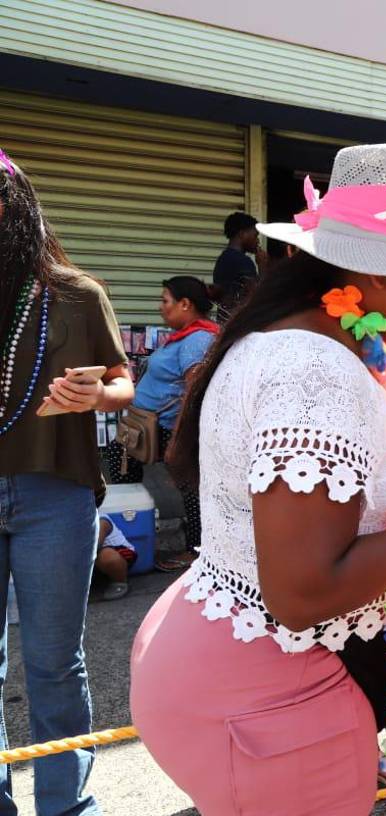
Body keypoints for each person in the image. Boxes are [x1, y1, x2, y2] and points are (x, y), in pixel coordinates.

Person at [129, 144, 386, 814]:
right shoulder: (316, 370)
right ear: (375, 271)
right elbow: (303, 591)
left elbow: (339, 492)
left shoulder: (301, 340)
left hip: (230, 679)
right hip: (272, 709)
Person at [0, 150, 133, 815]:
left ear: (17, 209)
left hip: (55, 492)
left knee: (54, 662)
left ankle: (66, 806)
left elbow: (124, 381)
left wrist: (97, 397)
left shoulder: (76, 293)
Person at [103, 276, 217, 553]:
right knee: (120, 462)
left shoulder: (197, 339)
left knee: (190, 488)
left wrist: (179, 439)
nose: (160, 307)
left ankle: (196, 551)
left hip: (167, 427)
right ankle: (128, 533)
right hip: (146, 425)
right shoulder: (184, 336)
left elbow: (193, 393)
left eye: (165, 300)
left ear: (185, 304)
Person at [212, 211, 265, 321]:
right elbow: (257, 295)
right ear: (242, 234)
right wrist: (262, 265)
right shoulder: (243, 262)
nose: (257, 241)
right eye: (255, 235)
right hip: (238, 324)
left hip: (224, 322)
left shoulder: (223, 258)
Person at [95, 514, 136, 601]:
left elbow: (94, 547)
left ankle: (119, 582)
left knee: (107, 556)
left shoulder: (101, 520)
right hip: (90, 563)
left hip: (120, 555)